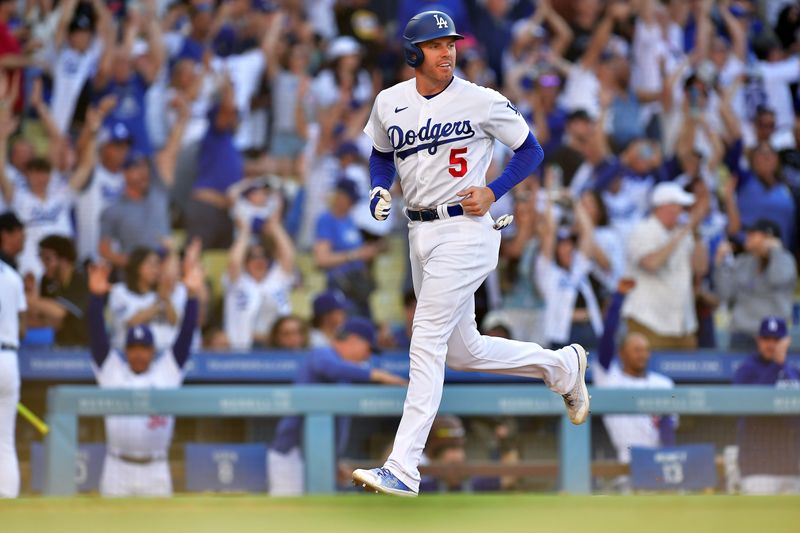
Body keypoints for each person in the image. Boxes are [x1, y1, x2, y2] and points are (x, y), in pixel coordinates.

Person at [352, 10, 589, 497]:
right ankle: (562, 367)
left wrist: (495, 190)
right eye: (436, 45)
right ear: (414, 53)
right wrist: (380, 188)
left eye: (451, 43)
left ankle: (403, 466)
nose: (447, 51)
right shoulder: (390, 101)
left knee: (426, 337)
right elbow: (380, 152)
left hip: (467, 229)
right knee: (464, 351)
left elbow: (531, 150)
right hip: (419, 231)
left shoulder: (480, 99)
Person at [86, 259, 202, 497]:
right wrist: (96, 299)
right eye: (134, 348)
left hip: (156, 469)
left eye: (144, 348)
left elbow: (185, 337)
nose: (138, 353)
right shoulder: (113, 372)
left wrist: (192, 296)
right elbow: (97, 338)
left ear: (152, 351)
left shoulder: (166, 372)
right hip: (117, 467)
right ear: (126, 351)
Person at [268, 317, 406, 496]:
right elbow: (329, 367)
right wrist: (377, 375)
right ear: (354, 340)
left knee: (314, 517)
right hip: (290, 454)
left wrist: (333, 461)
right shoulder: (322, 353)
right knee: (286, 515)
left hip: (315, 457)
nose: (368, 356)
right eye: (368, 349)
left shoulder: (346, 374)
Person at [594, 279, 676, 466]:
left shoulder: (663, 384)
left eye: (645, 350)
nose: (642, 354)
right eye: (636, 350)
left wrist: (669, 460)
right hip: (627, 459)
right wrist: (618, 298)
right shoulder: (609, 379)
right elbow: (607, 338)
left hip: (658, 459)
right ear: (622, 353)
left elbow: (668, 427)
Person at [621, 182, 709, 350]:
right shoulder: (642, 230)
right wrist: (687, 229)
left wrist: (696, 233)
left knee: (689, 376)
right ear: (666, 206)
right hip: (648, 321)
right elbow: (652, 263)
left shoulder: (683, 233)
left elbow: (701, 268)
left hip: (683, 324)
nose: (683, 212)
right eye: (679, 206)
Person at [733, 316, 800, 495]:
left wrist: (782, 367)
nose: (771, 345)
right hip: (758, 467)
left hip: (792, 466)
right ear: (758, 340)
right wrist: (776, 365)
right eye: (766, 339)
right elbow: (751, 404)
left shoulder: (794, 372)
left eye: (776, 340)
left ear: (787, 341)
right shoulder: (746, 370)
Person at [714, 219, 798, 351]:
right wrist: (721, 265)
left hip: (773, 336)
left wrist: (775, 252)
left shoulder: (786, 260)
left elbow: (777, 279)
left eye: (753, 234)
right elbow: (726, 295)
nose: (748, 238)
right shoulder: (743, 261)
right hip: (741, 334)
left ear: (769, 237)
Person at [25, 235, 89, 347]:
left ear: (64, 260)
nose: (43, 263)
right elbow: (46, 319)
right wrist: (30, 290)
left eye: (47, 258)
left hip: (84, 349)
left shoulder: (81, 279)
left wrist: (28, 299)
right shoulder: (47, 281)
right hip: (60, 349)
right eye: (41, 257)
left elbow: (59, 313)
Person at [0, 249, 26, 498]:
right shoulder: (12, 276)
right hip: (9, 357)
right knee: (4, 441)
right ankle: (8, 505)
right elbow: (23, 328)